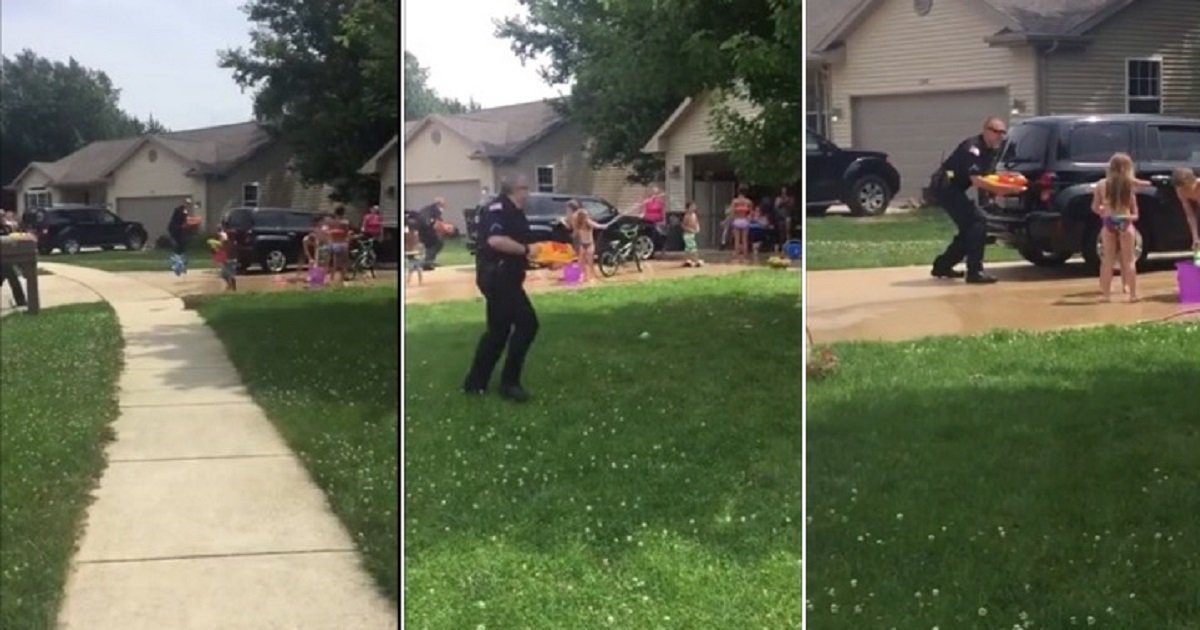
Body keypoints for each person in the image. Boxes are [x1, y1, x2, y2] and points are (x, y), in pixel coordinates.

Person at [463, 178, 539, 402]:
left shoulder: (516, 212)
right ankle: (510, 383)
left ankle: (475, 383)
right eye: (525, 188)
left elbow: (520, 243)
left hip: (508, 276)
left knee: (498, 331)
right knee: (527, 324)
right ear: (516, 190)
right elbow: (496, 241)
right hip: (497, 276)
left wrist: (540, 257)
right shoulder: (498, 209)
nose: (528, 194)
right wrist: (526, 250)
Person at [929, 116, 1023, 284]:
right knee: (977, 222)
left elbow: (990, 177)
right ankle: (975, 271)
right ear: (986, 130)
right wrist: (1005, 190)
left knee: (970, 229)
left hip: (956, 189)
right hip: (945, 187)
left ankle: (942, 265)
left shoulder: (991, 151)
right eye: (996, 132)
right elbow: (978, 181)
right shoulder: (973, 148)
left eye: (1003, 133)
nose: (1000, 136)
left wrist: (1012, 180)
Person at [1092, 153, 1141, 303]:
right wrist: (1129, 218)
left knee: (1108, 260)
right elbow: (1136, 213)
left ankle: (1106, 295)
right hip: (1125, 221)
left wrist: (1103, 212)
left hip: (1108, 221)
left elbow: (1094, 207)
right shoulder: (1129, 185)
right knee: (1129, 261)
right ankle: (1133, 294)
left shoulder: (1101, 184)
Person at [567, 199, 603, 282]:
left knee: (590, 262)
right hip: (583, 244)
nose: (587, 217)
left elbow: (597, 226)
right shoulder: (578, 223)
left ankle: (591, 277)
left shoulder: (589, 222)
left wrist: (603, 226)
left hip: (590, 244)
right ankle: (582, 276)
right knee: (581, 262)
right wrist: (572, 236)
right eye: (585, 216)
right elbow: (575, 231)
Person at [323, 206, 352, 286]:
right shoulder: (345, 222)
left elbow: (326, 230)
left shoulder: (331, 222)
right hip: (341, 243)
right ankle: (341, 280)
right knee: (343, 262)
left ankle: (331, 278)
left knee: (332, 262)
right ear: (343, 213)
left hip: (332, 242)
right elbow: (346, 233)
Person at [1173, 167, 1199, 249]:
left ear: (1193, 181)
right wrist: (1195, 237)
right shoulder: (1180, 190)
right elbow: (1190, 215)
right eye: (1181, 188)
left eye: (1186, 187)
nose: (1184, 190)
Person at [418, 197, 447, 269]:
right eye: (443, 204)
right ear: (439, 204)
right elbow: (436, 223)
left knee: (432, 245)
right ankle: (427, 263)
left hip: (422, 230)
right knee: (437, 243)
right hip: (426, 230)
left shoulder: (429, 208)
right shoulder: (435, 210)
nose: (444, 206)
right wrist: (444, 228)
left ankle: (429, 262)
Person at [167, 201, 193, 276]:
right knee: (180, 245)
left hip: (175, 228)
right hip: (175, 229)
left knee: (181, 246)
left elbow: (184, 220)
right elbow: (182, 219)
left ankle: (179, 264)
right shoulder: (181, 211)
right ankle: (178, 265)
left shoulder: (181, 211)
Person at [728, 187, 754, 262]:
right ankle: (745, 257)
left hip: (737, 220)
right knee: (744, 240)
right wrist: (748, 219)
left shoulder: (735, 201)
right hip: (745, 220)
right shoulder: (748, 202)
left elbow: (732, 212)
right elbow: (751, 212)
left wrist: (732, 220)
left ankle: (736, 257)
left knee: (737, 240)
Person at [681, 201, 703, 267]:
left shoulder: (694, 215)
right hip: (687, 234)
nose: (693, 208)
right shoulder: (686, 216)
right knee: (693, 248)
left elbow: (696, 222)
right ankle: (696, 260)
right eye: (691, 207)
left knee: (688, 248)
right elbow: (683, 225)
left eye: (694, 206)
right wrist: (690, 229)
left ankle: (688, 260)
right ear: (687, 208)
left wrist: (697, 228)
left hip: (692, 234)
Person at [404, 218, 423, 286]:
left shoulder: (411, 233)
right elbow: (416, 242)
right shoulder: (412, 233)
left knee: (413, 268)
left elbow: (415, 242)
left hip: (413, 252)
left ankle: (409, 281)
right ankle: (410, 281)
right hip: (413, 252)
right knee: (415, 268)